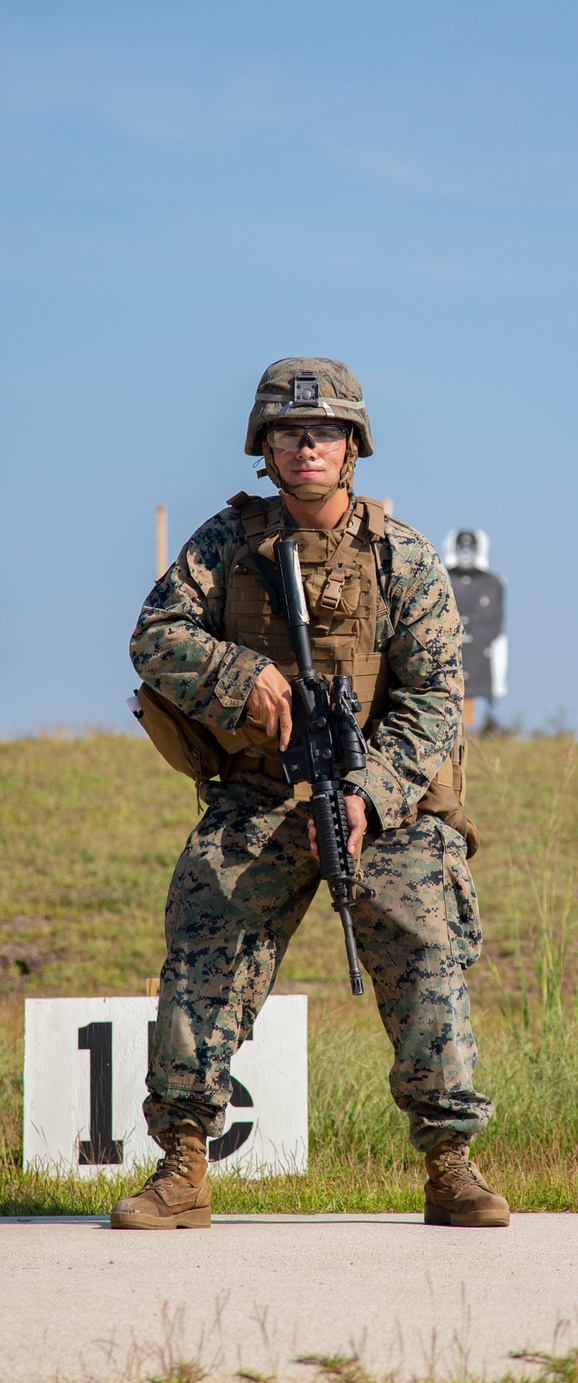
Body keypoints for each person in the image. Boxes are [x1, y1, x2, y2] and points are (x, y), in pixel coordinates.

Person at [111, 358, 509, 1231]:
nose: (306, 447)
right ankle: (182, 1164)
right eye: (288, 433)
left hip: (384, 805)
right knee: (204, 951)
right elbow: (155, 637)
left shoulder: (401, 557)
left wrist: (372, 789)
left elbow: (438, 696)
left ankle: (451, 1165)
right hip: (261, 796)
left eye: (323, 432)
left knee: (424, 942)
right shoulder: (225, 545)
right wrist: (240, 675)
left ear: (352, 446)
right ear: (265, 448)